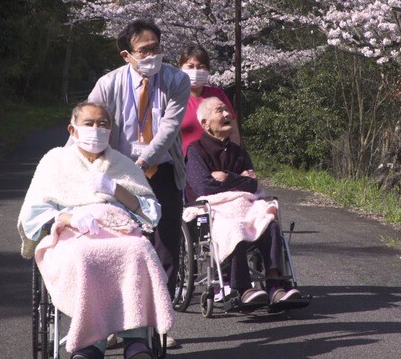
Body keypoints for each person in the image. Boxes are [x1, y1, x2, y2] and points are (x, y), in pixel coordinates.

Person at [17, 102, 173, 359]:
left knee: (140, 250)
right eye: (89, 123)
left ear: (111, 131)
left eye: (103, 124)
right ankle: (91, 342)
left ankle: (135, 340)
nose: (96, 129)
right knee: (85, 257)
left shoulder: (124, 165)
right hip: (73, 235)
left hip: (119, 231)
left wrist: (116, 189)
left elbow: (152, 213)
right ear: (73, 129)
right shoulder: (54, 161)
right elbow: (32, 214)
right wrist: (68, 217)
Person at [87, 19, 188, 348]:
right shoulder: (108, 84)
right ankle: (117, 320)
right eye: (145, 50)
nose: (153, 55)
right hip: (118, 176)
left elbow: (170, 128)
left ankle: (160, 324)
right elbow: (91, 124)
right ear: (126, 55)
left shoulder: (176, 79)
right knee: (118, 246)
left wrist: (143, 161)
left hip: (162, 172)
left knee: (165, 248)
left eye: (156, 47)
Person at [185, 96, 304, 308]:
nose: (226, 114)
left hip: (245, 205)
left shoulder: (239, 152)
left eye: (226, 110)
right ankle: (243, 289)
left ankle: (275, 285)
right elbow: (204, 186)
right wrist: (240, 179)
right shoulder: (195, 151)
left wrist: (226, 177)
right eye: (219, 111)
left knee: (270, 223)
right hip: (216, 210)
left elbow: (252, 185)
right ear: (205, 123)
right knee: (234, 227)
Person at [178, 45, 240, 155]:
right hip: (183, 164)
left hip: (217, 161)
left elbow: (233, 130)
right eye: (190, 66)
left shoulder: (217, 95)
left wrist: (234, 157)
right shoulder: (173, 97)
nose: (195, 71)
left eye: (201, 67)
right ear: (180, 68)